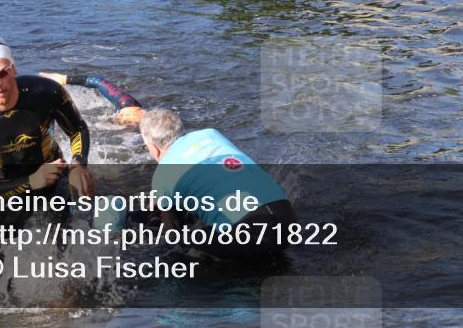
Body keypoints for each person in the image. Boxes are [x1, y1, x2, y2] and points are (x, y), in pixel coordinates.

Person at [0, 32, 95, 258]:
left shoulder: (46, 92)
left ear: (14, 68)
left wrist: (78, 164)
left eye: (3, 73)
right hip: (2, 186)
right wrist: (30, 182)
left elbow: (77, 129)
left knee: (63, 252)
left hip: (52, 173)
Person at [140, 108, 296, 257]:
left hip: (245, 234)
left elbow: (171, 231)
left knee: (182, 247)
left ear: (154, 148)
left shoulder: (162, 175)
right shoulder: (211, 134)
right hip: (287, 220)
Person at [38, 72, 144, 125]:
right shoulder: (127, 103)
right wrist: (62, 79)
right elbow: (97, 81)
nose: (117, 114)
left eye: (119, 116)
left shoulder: (127, 106)